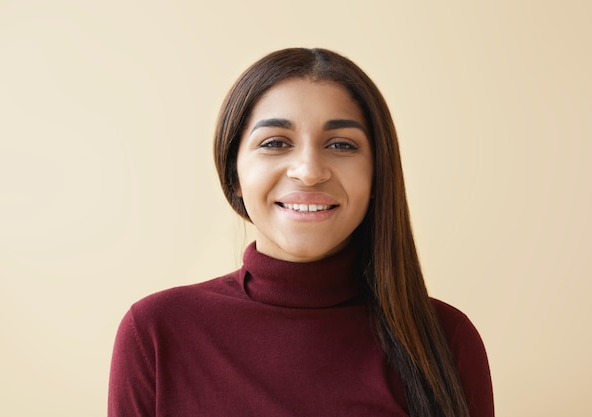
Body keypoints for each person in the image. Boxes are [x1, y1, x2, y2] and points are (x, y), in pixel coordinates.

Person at [108, 48, 494, 417]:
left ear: (377, 175)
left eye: (341, 144)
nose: (309, 171)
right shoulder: (156, 334)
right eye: (275, 143)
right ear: (234, 175)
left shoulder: (446, 340)